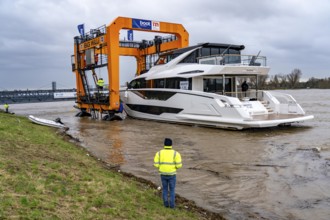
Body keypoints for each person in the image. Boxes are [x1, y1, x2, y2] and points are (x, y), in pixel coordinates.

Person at [154, 138, 182, 208]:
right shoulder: (176, 154)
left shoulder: (159, 153)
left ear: (164, 144)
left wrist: (160, 167)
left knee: (165, 189)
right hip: (172, 174)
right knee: (172, 190)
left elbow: (156, 164)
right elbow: (179, 165)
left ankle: (165, 204)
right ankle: (172, 206)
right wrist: (174, 168)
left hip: (163, 174)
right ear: (171, 145)